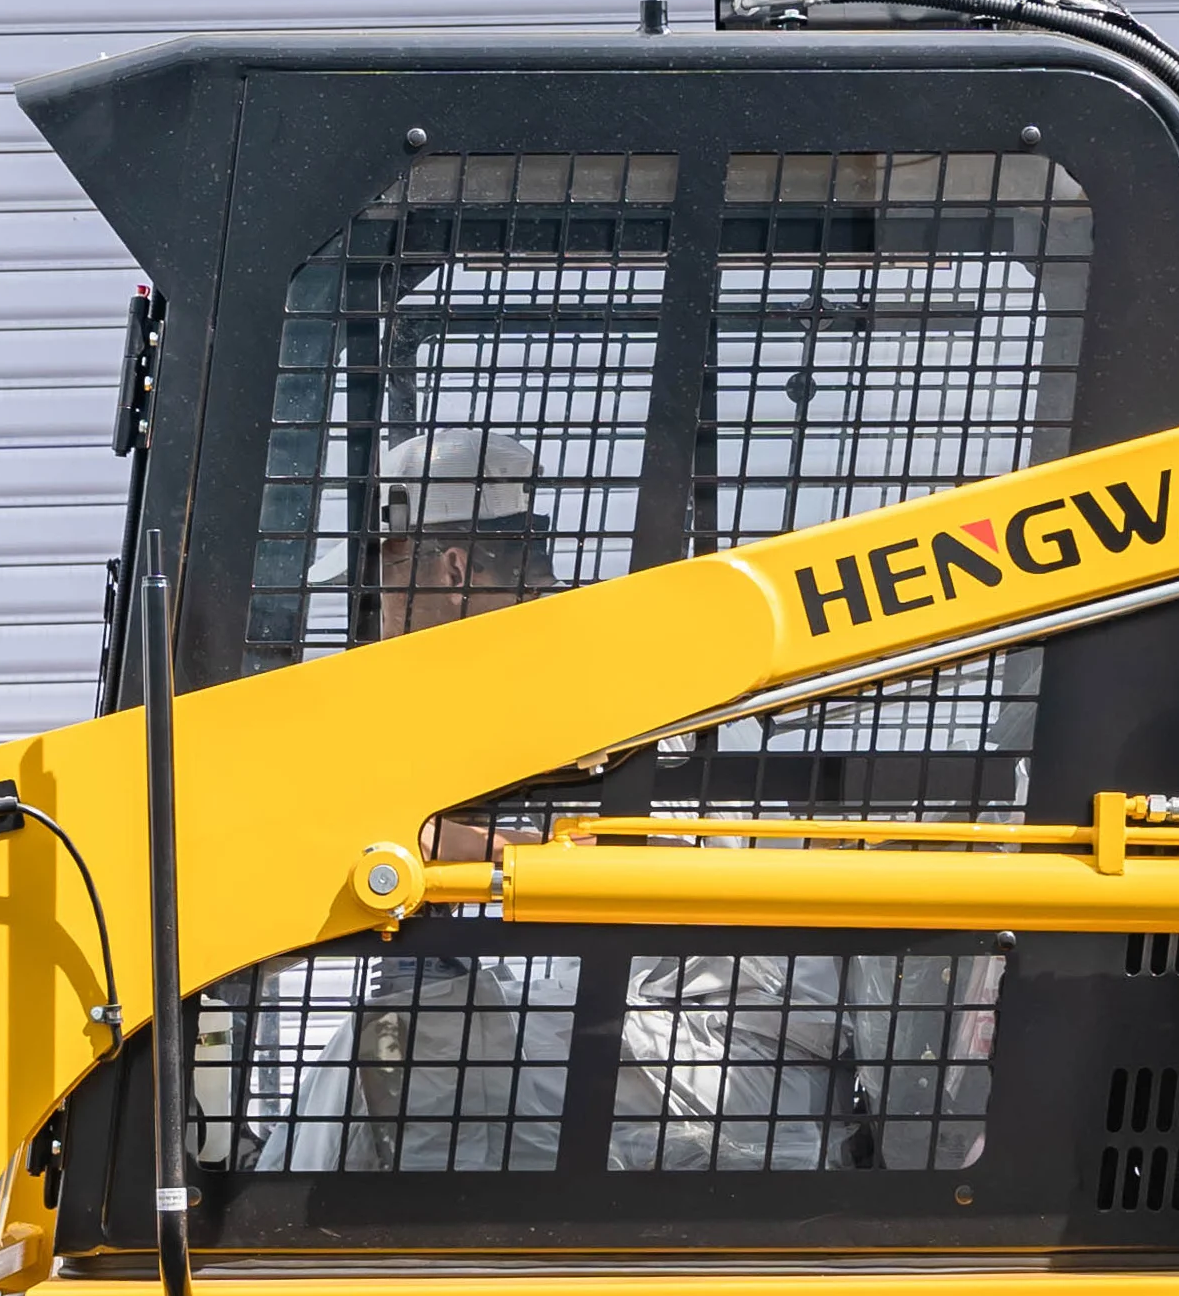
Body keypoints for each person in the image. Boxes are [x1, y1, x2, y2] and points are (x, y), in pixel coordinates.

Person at [246, 430, 993, 1178]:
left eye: (381, 582)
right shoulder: (543, 671)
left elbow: (644, 859)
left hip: (726, 1068)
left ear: (450, 567)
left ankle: (255, 1233)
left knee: (396, 1051)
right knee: (412, 1040)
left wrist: (477, 853)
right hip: (693, 1045)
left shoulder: (564, 681)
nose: (370, 618)